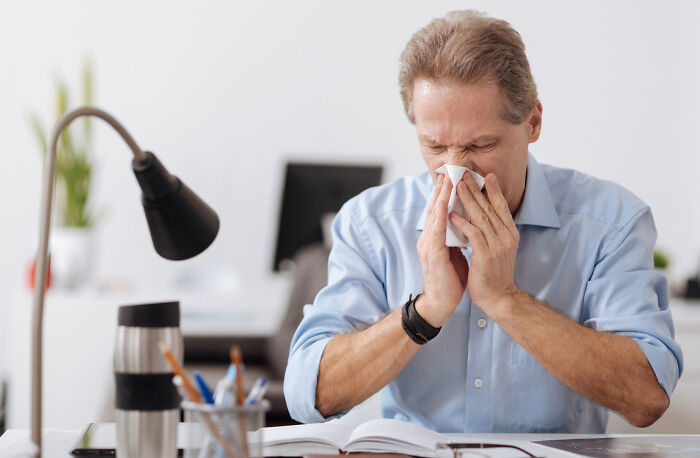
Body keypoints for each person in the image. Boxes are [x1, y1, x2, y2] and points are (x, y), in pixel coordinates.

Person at [283, 10, 683, 433]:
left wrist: (507, 301)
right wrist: (424, 312)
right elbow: (307, 396)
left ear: (532, 122)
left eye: (480, 144)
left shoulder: (611, 222)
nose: (455, 171)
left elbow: (647, 398)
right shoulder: (371, 223)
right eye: (434, 146)